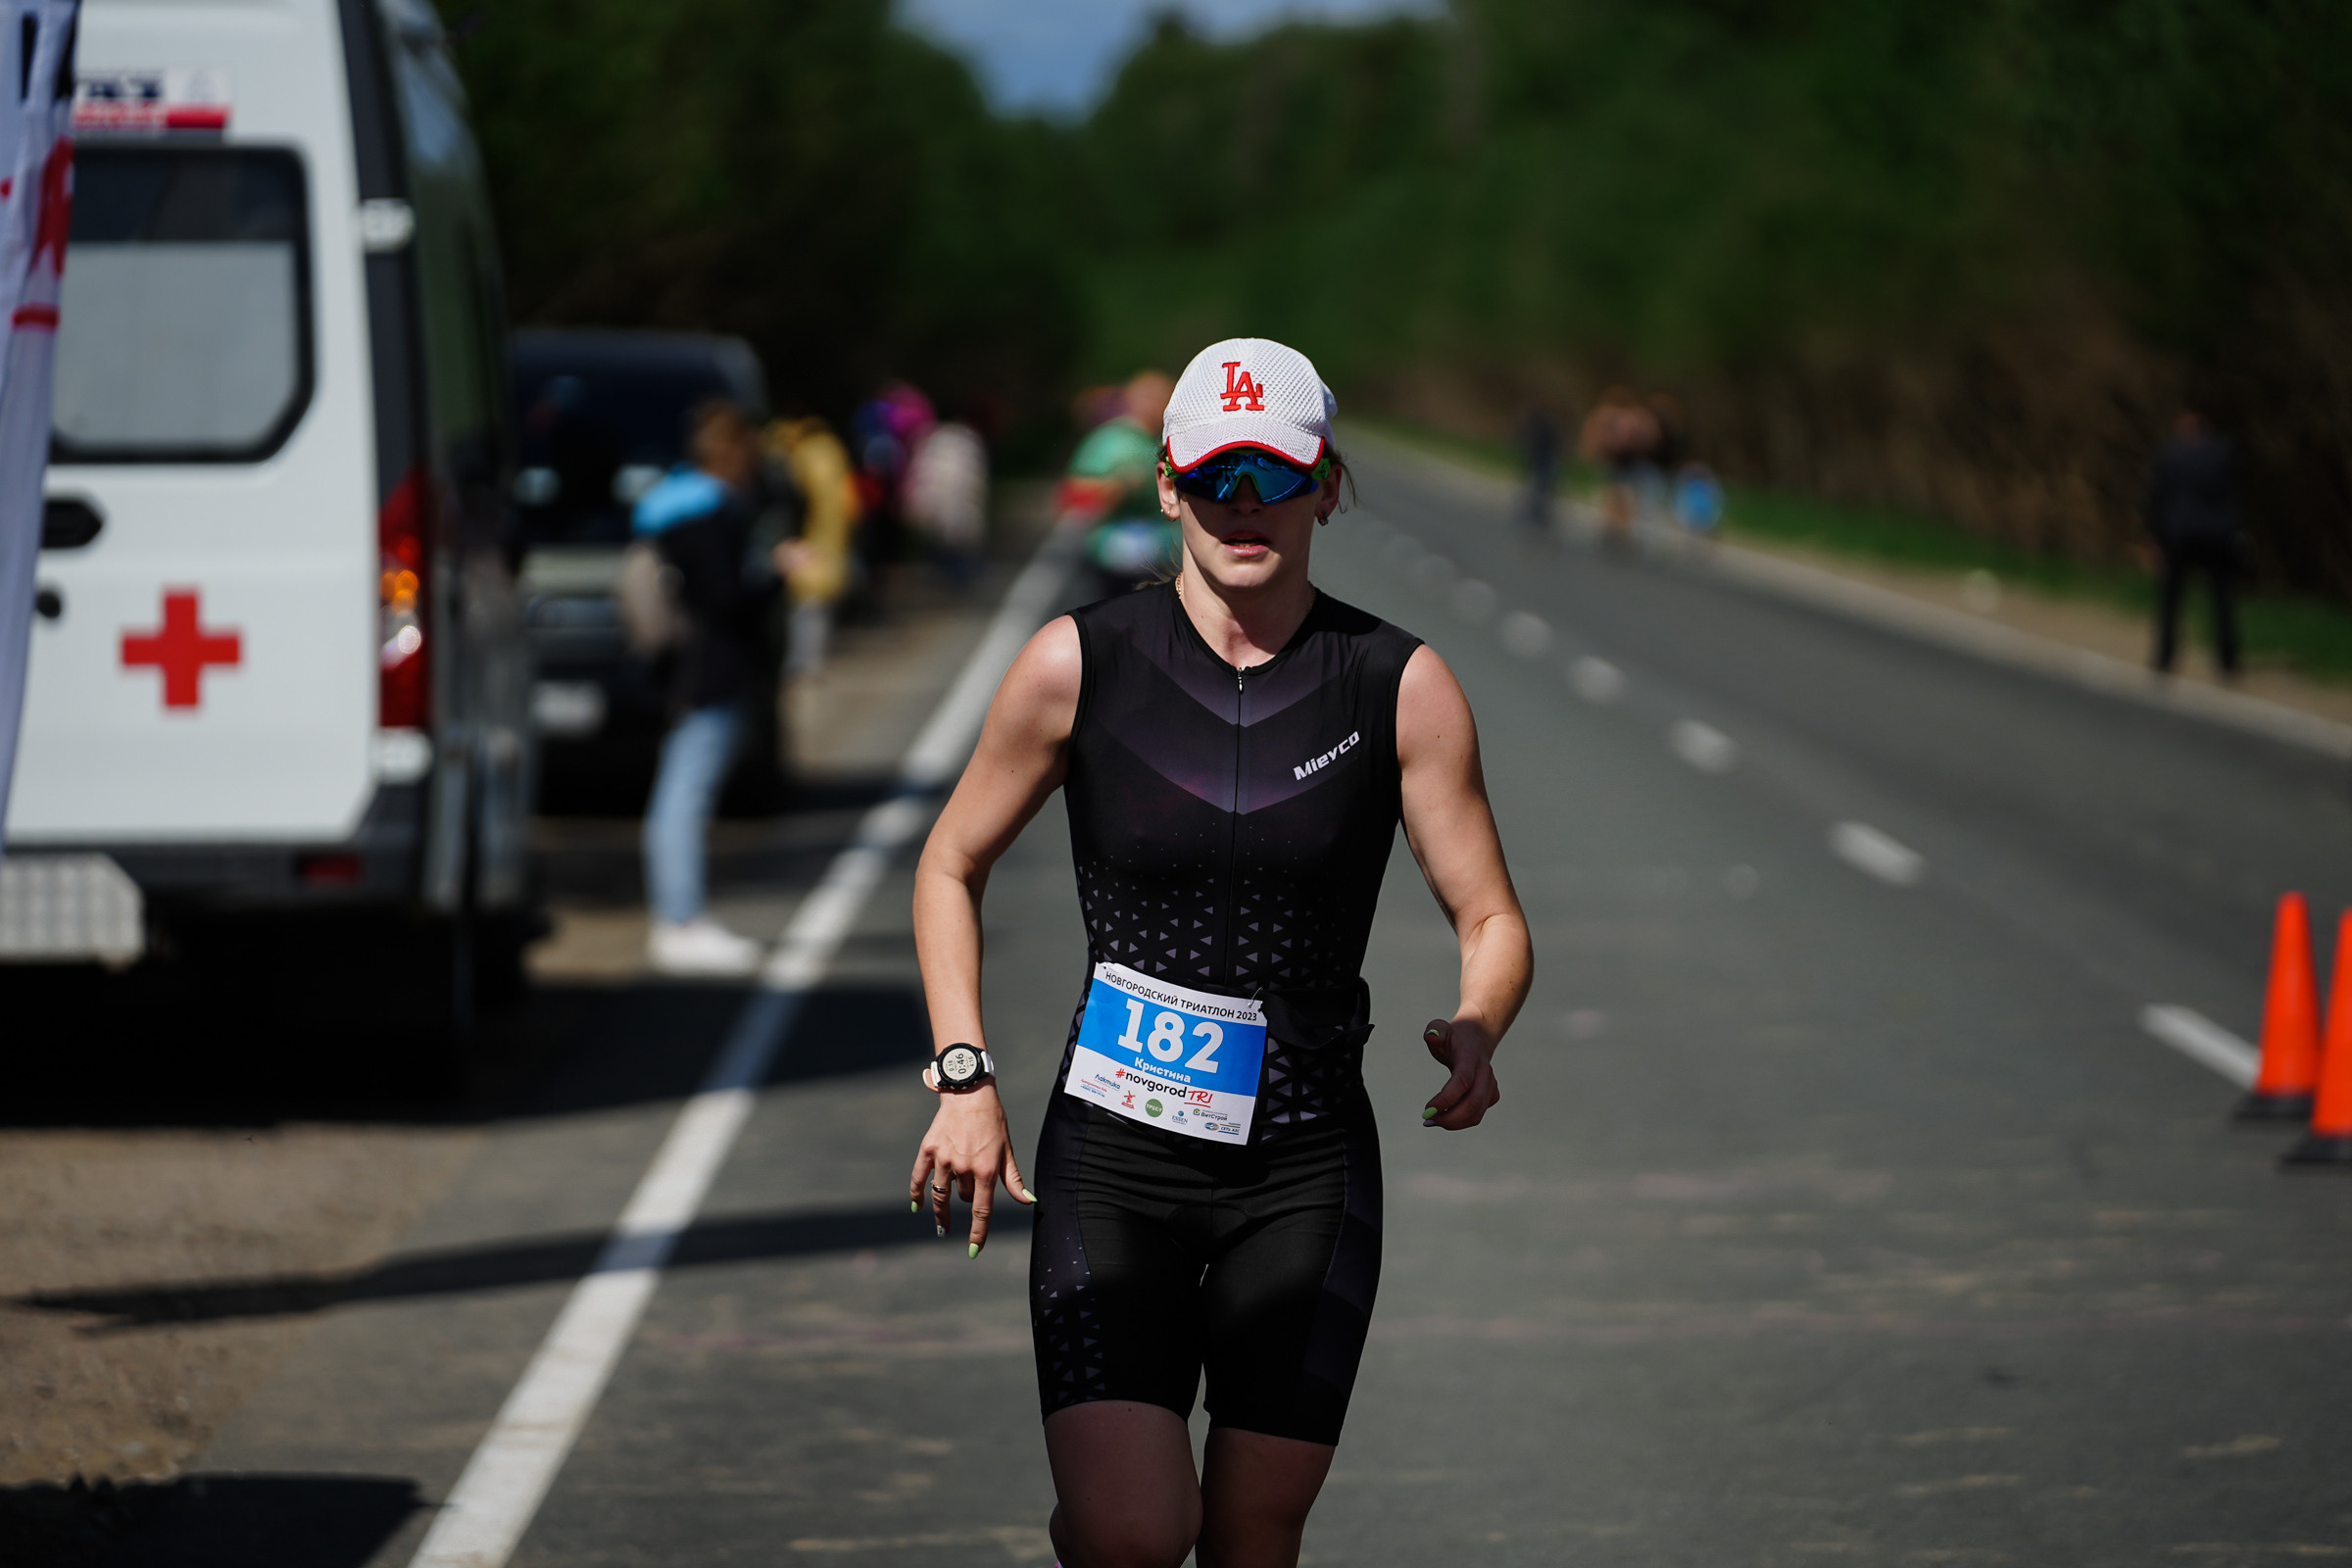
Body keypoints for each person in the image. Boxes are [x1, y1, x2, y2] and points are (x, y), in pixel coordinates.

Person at [907, 338, 1533, 1568]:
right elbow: (947, 864)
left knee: (1251, 1538)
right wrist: (964, 1074)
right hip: (1118, 1159)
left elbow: (1493, 917)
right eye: (1214, 480)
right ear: (1165, 486)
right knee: (1137, 1531)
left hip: (1302, 1168)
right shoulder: (1078, 664)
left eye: (1275, 477)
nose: (1244, 510)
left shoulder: (1397, 684)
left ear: (1328, 486)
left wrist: (1481, 1017)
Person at [634, 399, 790, 975]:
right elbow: (725, 598)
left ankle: (680, 917)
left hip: (683, 670)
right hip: (710, 673)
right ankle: (681, 920)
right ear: (735, 452)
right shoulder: (709, 515)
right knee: (684, 797)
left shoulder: (668, 507)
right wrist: (775, 575)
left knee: (679, 792)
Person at [765, 413, 862, 732]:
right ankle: (806, 667)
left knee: (806, 605)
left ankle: (800, 668)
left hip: (809, 541)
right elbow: (846, 499)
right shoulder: (829, 449)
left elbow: (794, 499)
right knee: (814, 605)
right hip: (827, 542)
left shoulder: (797, 453)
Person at [2143, 408, 2242, 677]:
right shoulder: (2223, 453)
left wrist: (2154, 537)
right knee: (2221, 600)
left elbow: (2157, 499)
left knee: (2170, 600)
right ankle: (2227, 661)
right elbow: (2233, 496)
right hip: (2216, 535)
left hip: (2179, 535)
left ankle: (2164, 658)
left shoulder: (2171, 455)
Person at [1064, 369, 1176, 597]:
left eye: (1163, 398)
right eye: (1149, 397)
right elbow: (1075, 493)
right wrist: (1120, 486)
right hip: (1116, 555)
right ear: (1131, 400)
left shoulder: (1168, 439)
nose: (1156, 405)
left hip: (1163, 555)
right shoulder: (1110, 440)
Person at [904, 413, 990, 587]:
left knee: (938, 544)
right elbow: (976, 478)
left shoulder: (930, 440)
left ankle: (945, 581)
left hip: (935, 503)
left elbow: (917, 475)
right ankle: (957, 581)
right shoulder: (967, 439)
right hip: (959, 503)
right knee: (959, 545)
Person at [1517, 402, 1559, 533]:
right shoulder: (1544, 426)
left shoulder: (1541, 427)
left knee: (1538, 495)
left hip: (1543, 463)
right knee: (1538, 495)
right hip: (1542, 463)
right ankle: (1535, 521)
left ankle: (1536, 521)